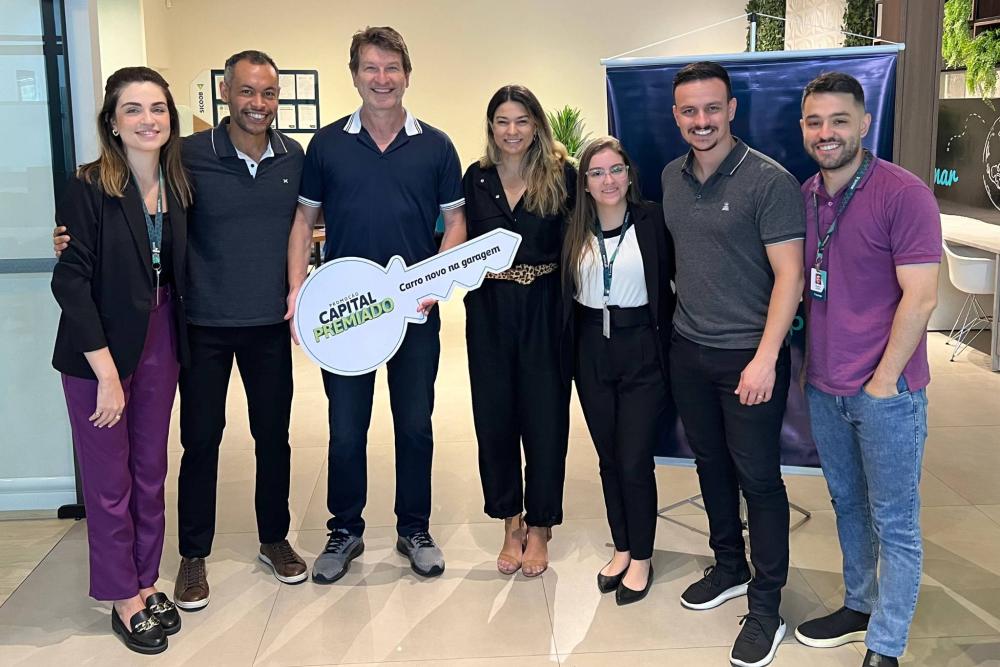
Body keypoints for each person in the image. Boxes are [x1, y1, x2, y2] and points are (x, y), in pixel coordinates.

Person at [55, 51, 308, 610]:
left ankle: (274, 538)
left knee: (273, 437)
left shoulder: (294, 156)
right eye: (246, 91)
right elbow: (95, 244)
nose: (258, 103)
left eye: (268, 92)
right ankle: (193, 555)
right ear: (225, 93)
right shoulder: (187, 156)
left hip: (267, 322)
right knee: (200, 441)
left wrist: (299, 290)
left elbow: (302, 221)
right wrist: (68, 240)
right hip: (199, 325)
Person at [286, 26, 467, 583]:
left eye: (391, 68)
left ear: (407, 75)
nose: (381, 79)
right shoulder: (327, 145)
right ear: (355, 75)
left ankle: (415, 528)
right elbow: (303, 221)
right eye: (370, 67)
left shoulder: (436, 145)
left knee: (414, 425)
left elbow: (456, 223)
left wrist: (434, 283)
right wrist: (296, 290)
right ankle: (345, 529)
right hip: (347, 315)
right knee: (346, 429)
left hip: (414, 313)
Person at [794, 72, 941, 667]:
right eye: (814, 121)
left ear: (865, 123)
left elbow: (921, 298)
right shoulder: (806, 194)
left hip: (887, 393)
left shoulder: (903, 194)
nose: (826, 132)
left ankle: (886, 645)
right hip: (824, 387)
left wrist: (882, 382)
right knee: (848, 504)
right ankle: (859, 605)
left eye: (839, 120)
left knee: (895, 521)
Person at [661, 61, 805, 667]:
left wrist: (766, 359)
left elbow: (790, 276)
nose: (702, 121)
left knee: (760, 481)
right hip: (688, 350)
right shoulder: (670, 177)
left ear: (732, 110)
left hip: (750, 357)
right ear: (676, 115)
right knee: (710, 465)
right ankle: (729, 567)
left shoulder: (769, 181)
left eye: (712, 108)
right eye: (690, 110)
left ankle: (767, 608)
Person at [51, 66, 191, 654]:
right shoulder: (88, 185)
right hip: (98, 350)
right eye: (133, 109)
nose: (147, 120)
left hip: (162, 336)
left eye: (157, 108)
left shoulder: (179, 183)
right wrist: (106, 374)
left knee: (150, 470)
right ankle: (121, 595)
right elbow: (70, 282)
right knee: (109, 480)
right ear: (112, 121)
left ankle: (146, 577)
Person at [462, 84, 574, 577]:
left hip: (546, 307)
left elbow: (580, 241)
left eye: (522, 121)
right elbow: (458, 241)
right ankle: (511, 521)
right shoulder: (476, 178)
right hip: (489, 309)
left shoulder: (561, 175)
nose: (512, 131)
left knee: (545, 418)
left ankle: (541, 524)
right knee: (495, 418)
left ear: (537, 125)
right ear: (491, 127)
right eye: (503, 121)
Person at [561, 136, 674, 605]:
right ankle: (622, 547)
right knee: (608, 458)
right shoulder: (573, 229)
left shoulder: (653, 221)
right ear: (584, 183)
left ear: (629, 174)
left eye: (615, 170)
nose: (607, 180)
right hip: (590, 349)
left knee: (633, 460)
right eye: (596, 173)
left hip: (641, 347)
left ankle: (642, 556)